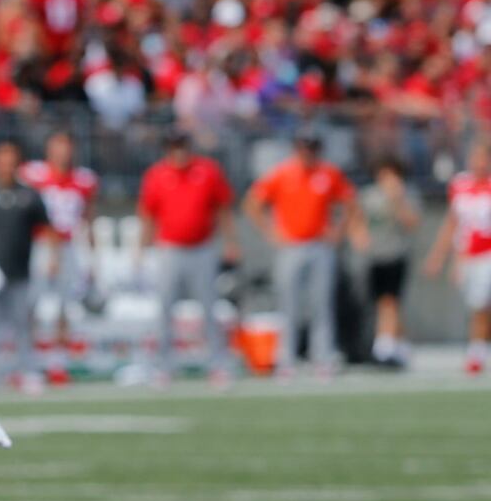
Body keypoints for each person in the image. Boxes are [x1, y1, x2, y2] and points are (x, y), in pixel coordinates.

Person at [243, 132, 365, 377]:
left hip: (320, 245)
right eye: (304, 148)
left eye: (313, 148)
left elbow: (350, 201)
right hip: (291, 247)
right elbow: (253, 202)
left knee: (321, 304)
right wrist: (270, 231)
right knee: (289, 304)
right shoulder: (283, 173)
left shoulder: (328, 173)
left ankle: (322, 358)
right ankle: (286, 359)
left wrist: (338, 232)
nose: (308, 153)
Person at [135, 129, 239, 387]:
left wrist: (230, 241)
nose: (178, 151)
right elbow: (148, 213)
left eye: (182, 144)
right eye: (173, 145)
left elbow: (223, 208)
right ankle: (164, 366)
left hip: (202, 247)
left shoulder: (207, 170)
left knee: (209, 307)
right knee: (165, 309)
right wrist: (140, 247)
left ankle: (217, 364)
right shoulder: (157, 175)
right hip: (169, 248)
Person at [0, 141, 52, 393]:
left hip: (21, 270)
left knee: (23, 324)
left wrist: (51, 258)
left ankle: (27, 370)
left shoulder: (30, 195)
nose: (7, 167)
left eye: (11, 161)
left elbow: (46, 228)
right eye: (3, 161)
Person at [18, 130, 97, 384]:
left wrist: (94, 256)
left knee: (64, 306)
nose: (62, 153)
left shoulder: (83, 180)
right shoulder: (34, 175)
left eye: (66, 147)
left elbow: (88, 218)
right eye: (57, 147)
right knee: (32, 304)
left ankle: (57, 361)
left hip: (68, 245)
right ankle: (27, 361)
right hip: (39, 244)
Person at [424, 141, 491, 376]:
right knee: (475, 304)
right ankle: (479, 348)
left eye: (482, 157)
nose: (478, 162)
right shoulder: (460, 185)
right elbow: (453, 223)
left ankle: (476, 353)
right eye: (475, 156)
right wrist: (440, 257)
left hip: (488, 254)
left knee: (481, 304)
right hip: (467, 256)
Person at [358, 154, 421, 368]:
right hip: (375, 255)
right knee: (383, 303)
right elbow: (356, 219)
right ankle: (400, 345)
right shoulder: (369, 195)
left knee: (390, 301)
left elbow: (412, 223)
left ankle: (384, 348)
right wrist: (359, 236)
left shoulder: (406, 194)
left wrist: (397, 200)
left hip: (396, 253)